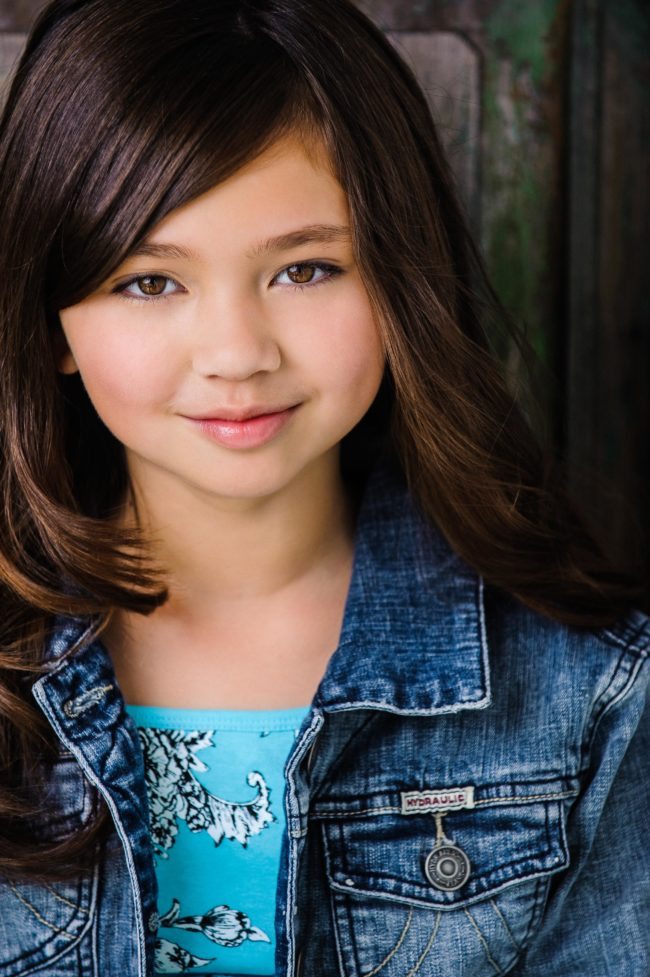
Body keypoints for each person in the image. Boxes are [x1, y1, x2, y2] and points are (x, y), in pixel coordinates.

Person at [0, 0, 647, 974]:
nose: (235, 353)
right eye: (149, 281)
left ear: (398, 281)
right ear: (50, 318)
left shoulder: (584, 691)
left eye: (304, 269)